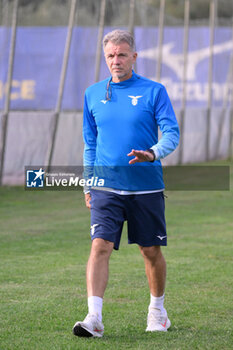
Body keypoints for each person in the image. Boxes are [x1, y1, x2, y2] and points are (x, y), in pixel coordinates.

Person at [73, 29, 179, 338]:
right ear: (104, 58)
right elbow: (90, 143)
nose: (115, 60)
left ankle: (157, 312)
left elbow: (171, 133)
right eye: (110, 55)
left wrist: (153, 153)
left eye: (121, 54)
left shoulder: (154, 91)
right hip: (106, 185)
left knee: (150, 251)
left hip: (146, 187)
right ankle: (94, 318)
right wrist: (88, 182)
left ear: (134, 56)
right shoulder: (93, 93)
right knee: (100, 246)